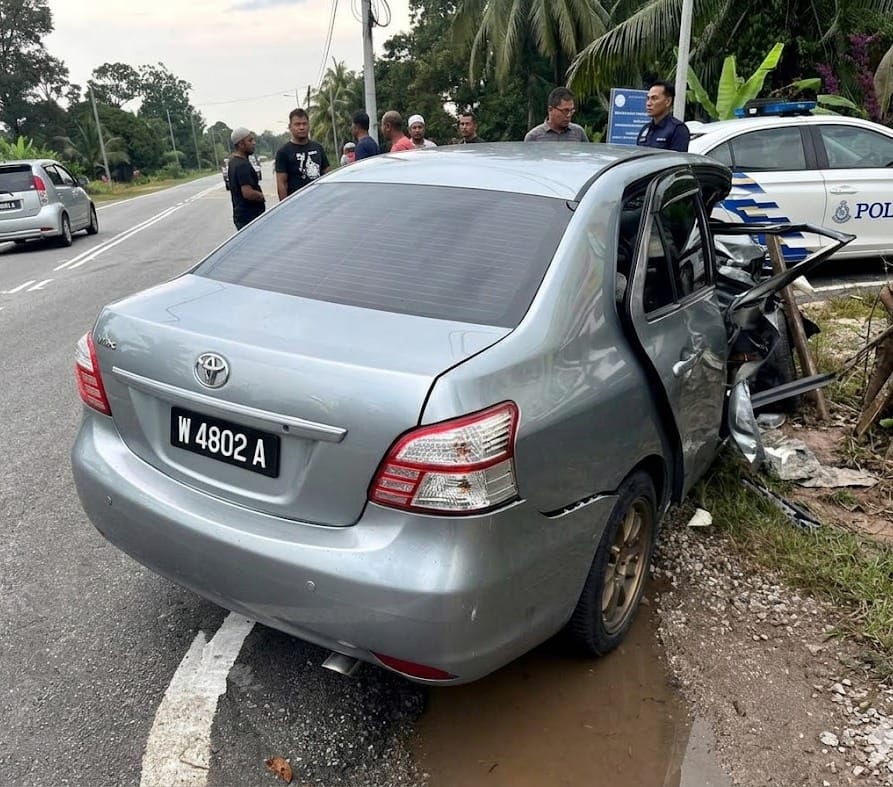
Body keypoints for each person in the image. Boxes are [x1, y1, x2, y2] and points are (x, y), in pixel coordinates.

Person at [274, 108, 330, 200]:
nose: (301, 127)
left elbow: (327, 175)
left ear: (309, 125)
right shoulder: (283, 152)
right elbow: (282, 184)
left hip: (319, 200)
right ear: (290, 126)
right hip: (297, 204)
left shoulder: (318, 148)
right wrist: (285, 208)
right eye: (297, 124)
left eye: (304, 124)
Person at [227, 127, 265, 230]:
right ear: (240, 144)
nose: (254, 143)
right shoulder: (241, 165)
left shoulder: (233, 162)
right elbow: (248, 193)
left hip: (242, 216)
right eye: (250, 140)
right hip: (249, 218)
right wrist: (261, 196)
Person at [636, 81, 690, 152]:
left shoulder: (678, 129)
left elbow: (678, 160)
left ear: (668, 101)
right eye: (648, 98)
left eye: (654, 98)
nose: (648, 103)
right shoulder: (645, 129)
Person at [524, 87, 589, 142]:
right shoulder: (533, 137)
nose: (569, 115)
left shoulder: (579, 133)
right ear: (550, 109)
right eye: (565, 111)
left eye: (571, 111)